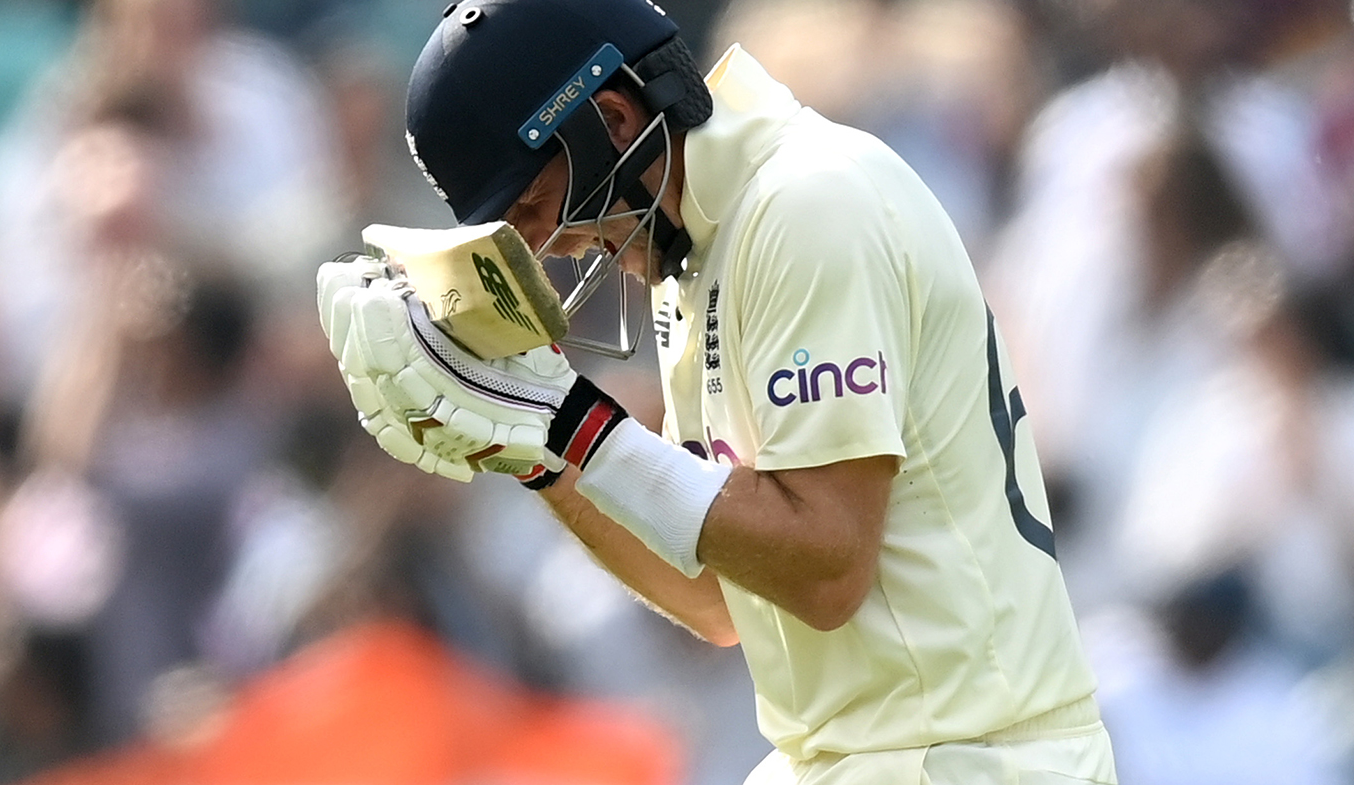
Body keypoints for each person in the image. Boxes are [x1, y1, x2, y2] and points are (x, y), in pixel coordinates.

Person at [315, 0, 1118, 783]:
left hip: (971, 753)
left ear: (614, 122)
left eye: (533, 205)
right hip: (871, 755)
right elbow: (722, 601)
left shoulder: (807, 203)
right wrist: (536, 454)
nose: (550, 249)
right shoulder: (697, 252)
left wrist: (569, 421)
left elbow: (828, 568)